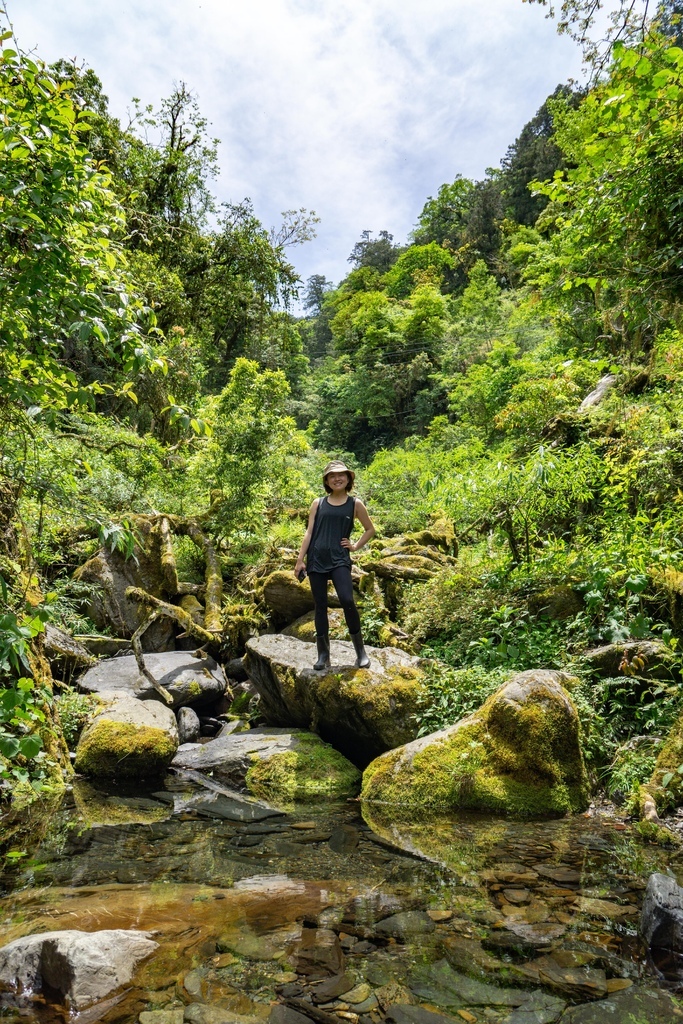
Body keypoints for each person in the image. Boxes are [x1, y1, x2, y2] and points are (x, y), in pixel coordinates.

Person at [294, 460, 376, 671]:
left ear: (348, 479)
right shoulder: (318, 503)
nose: (337, 478)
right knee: (320, 605)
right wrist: (300, 559)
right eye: (332, 476)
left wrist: (355, 546)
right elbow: (309, 533)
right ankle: (323, 655)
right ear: (327, 481)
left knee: (347, 600)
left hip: (339, 558)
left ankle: (360, 653)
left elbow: (370, 529)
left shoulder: (355, 504)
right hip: (316, 558)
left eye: (341, 475)